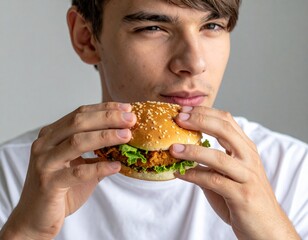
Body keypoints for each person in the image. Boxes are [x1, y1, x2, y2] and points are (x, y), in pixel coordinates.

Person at [0, 0, 307, 239]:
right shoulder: (12, 172)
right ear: (87, 38)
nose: (194, 63)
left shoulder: (292, 170)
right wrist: (26, 234)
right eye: (153, 28)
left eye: (212, 25)